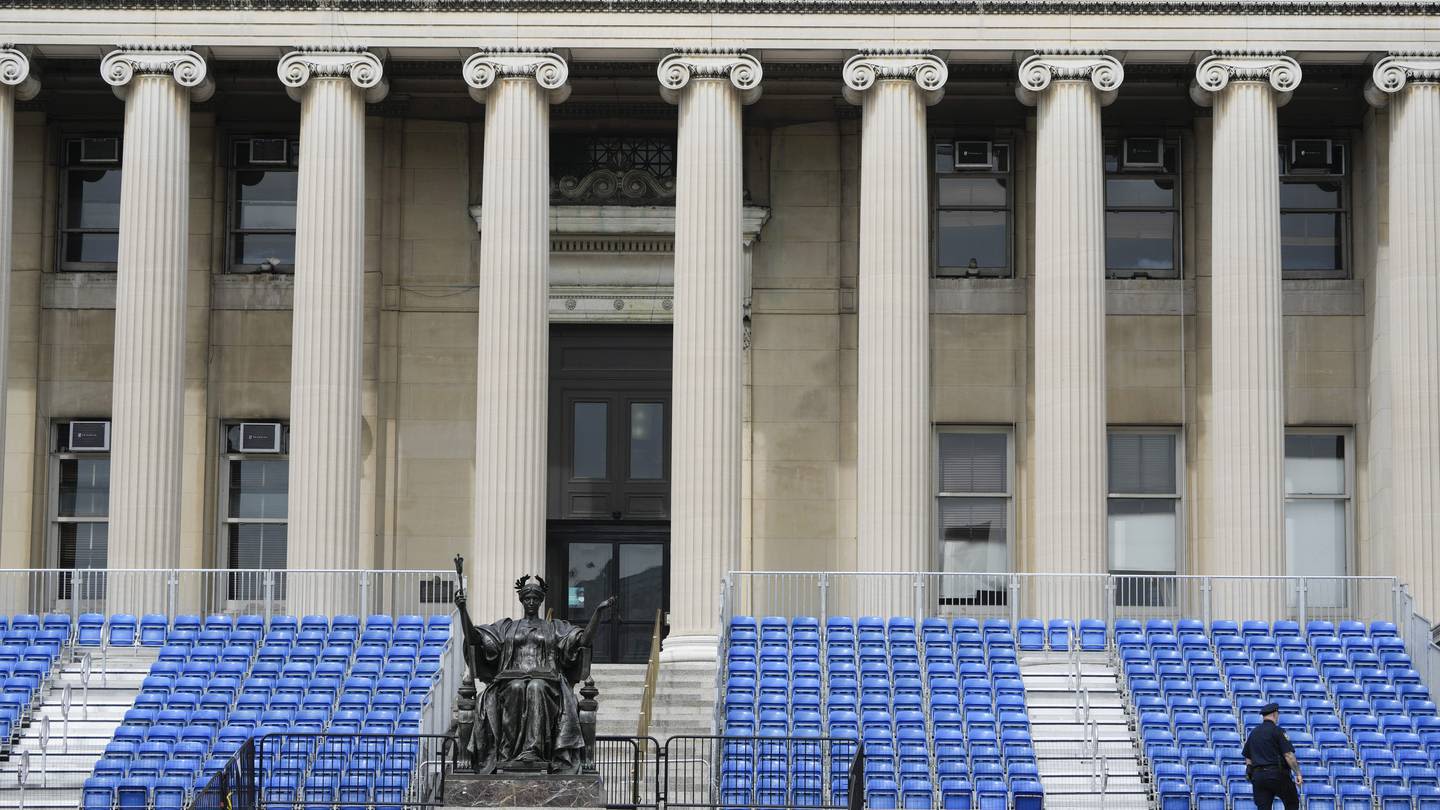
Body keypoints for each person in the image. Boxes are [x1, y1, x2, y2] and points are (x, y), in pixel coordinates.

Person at [453, 573, 616, 773]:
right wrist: (462, 610)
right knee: (516, 687)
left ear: (540, 602)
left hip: (548, 684)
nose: (531, 602)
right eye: (528, 598)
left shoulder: (554, 628)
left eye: (535, 599)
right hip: (510, 681)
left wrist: (597, 614)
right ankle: (509, 753)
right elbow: (474, 639)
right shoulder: (507, 627)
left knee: (536, 687)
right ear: (522, 601)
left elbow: (583, 641)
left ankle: (533, 751)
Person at [1242, 702, 1302, 810]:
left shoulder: (1254, 733)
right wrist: (1297, 773)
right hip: (1277, 775)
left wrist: (1249, 769)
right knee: (1292, 803)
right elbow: (1288, 755)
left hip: (1259, 777)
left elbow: (1248, 756)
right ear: (1274, 714)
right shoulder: (1278, 731)